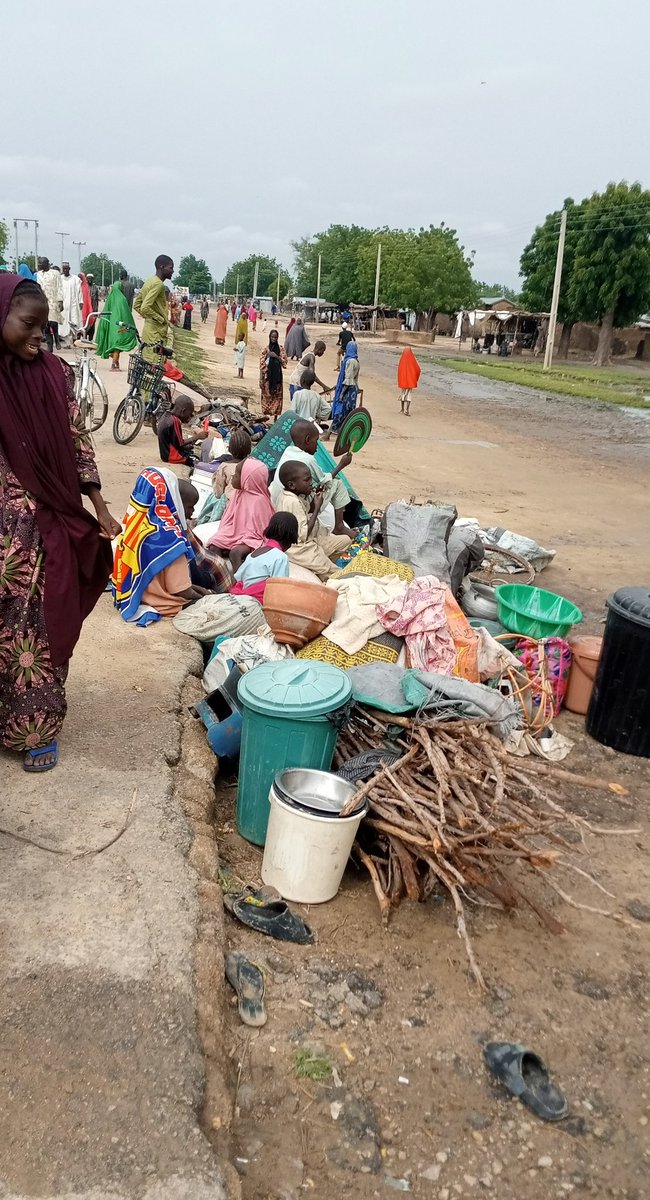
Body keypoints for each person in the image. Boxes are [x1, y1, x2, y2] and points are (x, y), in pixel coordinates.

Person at [0, 274, 119, 771]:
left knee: (42, 624)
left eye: (44, 327)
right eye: (28, 324)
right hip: (5, 531)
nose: (38, 336)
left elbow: (77, 441)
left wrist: (99, 505)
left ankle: (37, 729)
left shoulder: (57, 375)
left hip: (48, 524)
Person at [113, 467, 230, 621]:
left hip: (135, 595)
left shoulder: (134, 524)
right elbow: (182, 590)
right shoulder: (172, 538)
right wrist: (204, 594)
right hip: (165, 603)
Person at [270, 418, 353, 536]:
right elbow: (326, 480)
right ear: (307, 440)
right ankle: (339, 526)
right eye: (316, 441)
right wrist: (341, 465)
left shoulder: (288, 450)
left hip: (277, 501)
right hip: (294, 505)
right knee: (337, 484)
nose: (317, 447)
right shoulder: (308, 459)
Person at [273, 461, 351, 581]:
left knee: (345, 541)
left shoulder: (292, 496)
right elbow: (304, 534)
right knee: (338, 575)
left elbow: (308, 511)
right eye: (307, 480)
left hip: (311, 542)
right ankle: (323, 571)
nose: (311, 483)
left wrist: (317, 499)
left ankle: (321, 567)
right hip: (300, 549)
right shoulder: (292, 502)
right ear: (292, 485)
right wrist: (317, 508)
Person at [207, 457, 274, 570]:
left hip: (252, 538)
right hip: (234, 532)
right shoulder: (239, 494)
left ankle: (239, 581)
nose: (233, 477)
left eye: (237, 475)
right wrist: (226, 535)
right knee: (214, 544)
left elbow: (262, 533)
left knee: (236, 553)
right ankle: (216, 574)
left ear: (247, 479)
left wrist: (242, 540)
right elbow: (229, 519)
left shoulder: (260, 501)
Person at [231, 512, 298, 601]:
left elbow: (239, 578)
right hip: (257, 602)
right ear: (291, 536)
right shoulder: (280, 557)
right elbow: (279, 591)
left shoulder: (254, 553)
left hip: (240, 597)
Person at [134, 254, 173, 359]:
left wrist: (149, 318)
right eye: (171, 268)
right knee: (153, 365)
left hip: (148, 330)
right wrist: (160, 319)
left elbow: (136, 305)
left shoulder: (150, 281)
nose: (172, 271)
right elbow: (144, 307)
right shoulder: (159, 284)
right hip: (156, 334)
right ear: (162, 267)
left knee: (146, 364)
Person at [95, 273, 138, 370]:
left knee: (115, 345)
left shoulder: (110, 298)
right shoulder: (122, 299)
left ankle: (116, 362)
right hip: (119, 326)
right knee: (118, 344)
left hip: (111, 327)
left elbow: (106, 312)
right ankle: (114, 365)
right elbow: (126, 314)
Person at [157, 396, 208, 466]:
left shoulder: (167, 416)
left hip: (166, 454)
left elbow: (175, 442)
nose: (189, 417)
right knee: (199, 462)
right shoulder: (175, 421)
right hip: (172, 456)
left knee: (191, 450)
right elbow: (181, 443)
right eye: (189, 414)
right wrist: (198, 436)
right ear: (183, 411)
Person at [329, 341, 360, 435]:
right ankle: (343, 430)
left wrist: (342, 393)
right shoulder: (356, 361)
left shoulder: (350, 361)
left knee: (342, 410)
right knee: (349, 410)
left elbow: (348, 379)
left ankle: (332, 430)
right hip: (353, 389)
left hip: (348, 390)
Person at [36, 257, 63, 351]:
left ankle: (57, 339)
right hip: (43, 300)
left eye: (41, 264)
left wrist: (60, 300)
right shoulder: (38, 274)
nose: (39, 266)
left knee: (53, 322)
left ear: (47, 263)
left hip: (53, 300)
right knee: (45, 324)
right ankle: (49, 345)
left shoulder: (55, 273)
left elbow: (59, 286)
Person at [259, 329, 288, 418]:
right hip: (267, 377)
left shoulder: (281, 349)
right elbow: (261, 364)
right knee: (266, 396)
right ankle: (265, 416)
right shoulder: (266, 349)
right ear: (269, 337)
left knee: (277, 396)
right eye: (272, 337)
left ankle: (275, 416)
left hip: (277, 377)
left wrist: (276, 357)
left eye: (275, 337)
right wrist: (260, 379)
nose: (274, 339)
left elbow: (285, 362)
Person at [397, 346, 421, 415]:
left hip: (403, 381)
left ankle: (402, 409)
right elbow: (418, 369)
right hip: (410, 381)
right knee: (409, 395)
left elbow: (399, 371)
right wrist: (414, 378)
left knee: (403, 394)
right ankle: (407, 410)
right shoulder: (412, 360)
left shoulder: (402, 360)